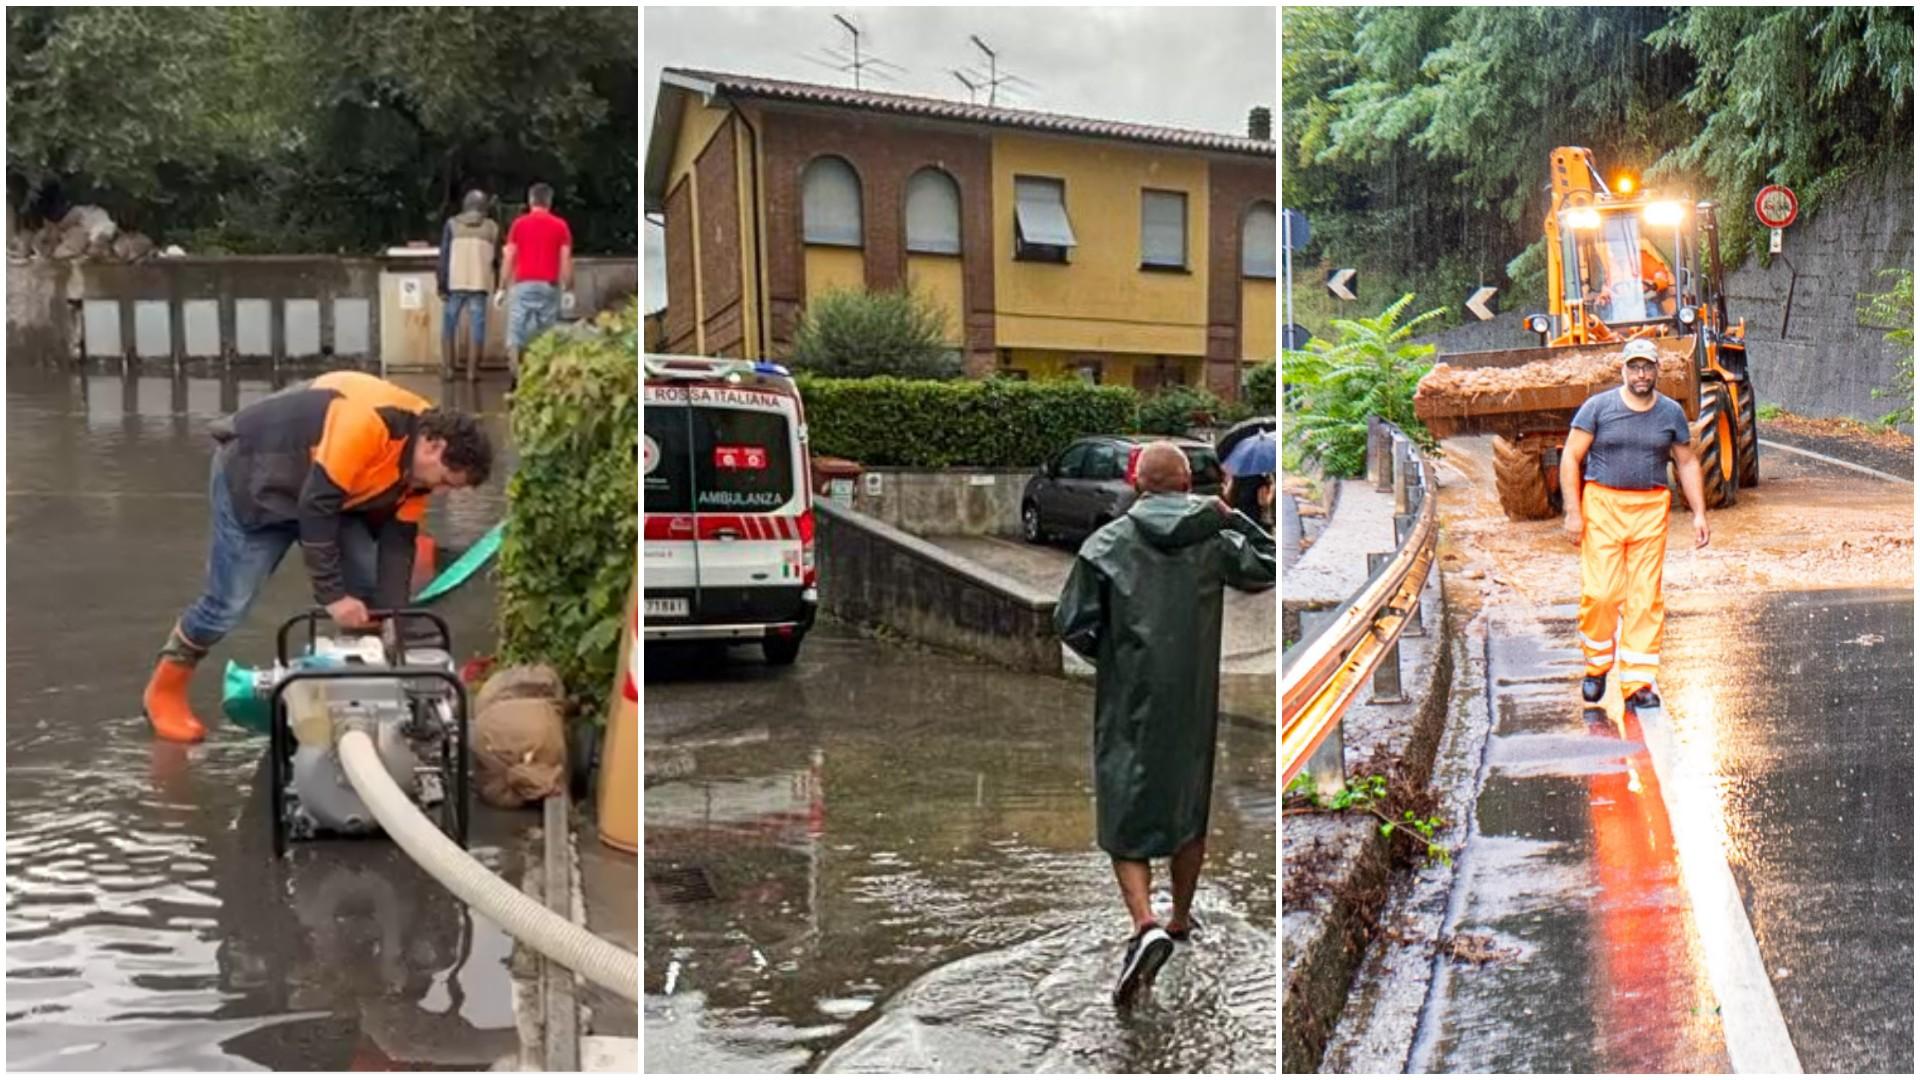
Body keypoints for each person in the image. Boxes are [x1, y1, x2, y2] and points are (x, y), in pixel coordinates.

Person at [142, 371, 493, 743]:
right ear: (433, 447)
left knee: (373, 587)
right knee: (228, 603)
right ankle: (163, 691)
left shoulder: (420, 466)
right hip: (259, 478)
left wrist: (396, 619)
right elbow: (317, 508)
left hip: (337, 493)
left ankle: (370, 686)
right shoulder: (371, 424)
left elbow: (397, 543)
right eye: (444, 482)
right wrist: (333, 597)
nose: (438, 493)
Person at [1053, 441, 1276, 1007]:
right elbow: (1269, 562)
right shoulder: (1210, 540)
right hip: (1193, 697)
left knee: (1124, 804)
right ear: (1187, 484)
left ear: (1137, 481)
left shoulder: (1106, 544)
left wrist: (1113, 656)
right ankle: (1180, 917)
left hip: (1129, 697)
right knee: (1187, 800)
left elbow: (1070, 621)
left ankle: (1144, 922)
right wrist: (1233, 516)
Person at [1560, 338, 1709, 712]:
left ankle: (1637, 683)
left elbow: (1686, 463)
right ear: (1623, 370)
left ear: (1657, 370)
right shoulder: (1598, 408)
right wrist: (1573, 512)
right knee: (1602, 594)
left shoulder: (1670, 413)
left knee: (1645, 597)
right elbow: (1570, 457)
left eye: (1647, 367)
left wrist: (1699, 513)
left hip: (1651, 508)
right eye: (1634, 367)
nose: (1641, 374)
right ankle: (1596, 667)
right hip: (1603, 506)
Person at [494, 182, 573, 389]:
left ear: (530, 201)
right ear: (549, 202)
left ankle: (518, 380)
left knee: (516, 335)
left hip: (523, 286)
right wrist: (569, 288)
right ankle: (544, 379)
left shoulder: (519, 225)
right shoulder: (560, 226)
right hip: (549, 287)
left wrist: (501, 288)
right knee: (546, 334)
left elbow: (509, 257)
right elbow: (565, 260)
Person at [437, 189, 500, 382]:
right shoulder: (492, 228)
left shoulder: (452, 225)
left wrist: (442, 283)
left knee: (449, 326)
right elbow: (497, 259)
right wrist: (497, 284)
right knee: (477, 329)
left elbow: (444, 257)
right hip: (479, 284)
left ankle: (448, 369)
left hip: (455, 283)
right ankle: (472, 372)